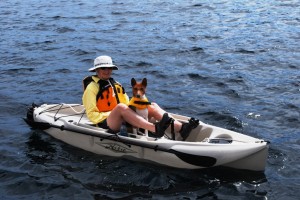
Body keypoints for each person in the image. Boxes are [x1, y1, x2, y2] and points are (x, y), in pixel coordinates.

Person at [82, 55, 199, 140]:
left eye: (109, 68)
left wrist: (138, 107)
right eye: (103, 68)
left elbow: (128, 104)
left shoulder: (116, 84)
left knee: (151, 105)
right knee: (121, 107)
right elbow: (92, 114)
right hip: (105, 122)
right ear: (97, 70)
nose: (107, 71)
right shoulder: (92, 88)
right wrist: (117, 112)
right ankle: (154, 129)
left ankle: (181, 128)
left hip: (121, 116)